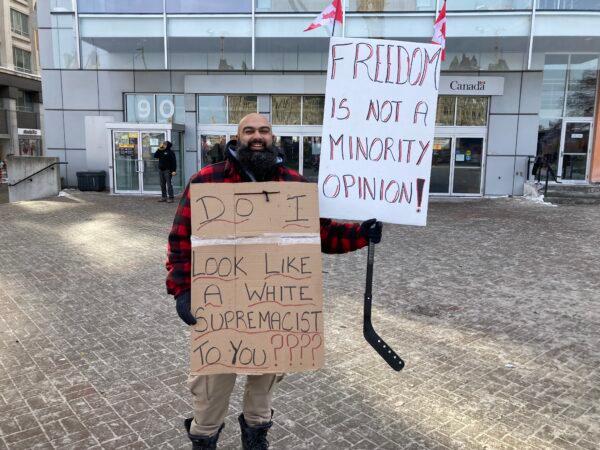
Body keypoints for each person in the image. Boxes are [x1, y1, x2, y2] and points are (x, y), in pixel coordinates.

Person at [166, 113, 383, 449]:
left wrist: (360, 234)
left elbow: (320, 233)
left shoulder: (294, 184)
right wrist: (183, 291)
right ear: (236, 139)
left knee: (264, 383)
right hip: (219, 306)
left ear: (273, 137)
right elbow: (180, 241)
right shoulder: (207, 181)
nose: (257, 136)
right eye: (249, 130)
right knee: (211, 385)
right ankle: (204, 438)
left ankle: (256, 437)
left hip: (272, 307)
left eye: (264, 130)